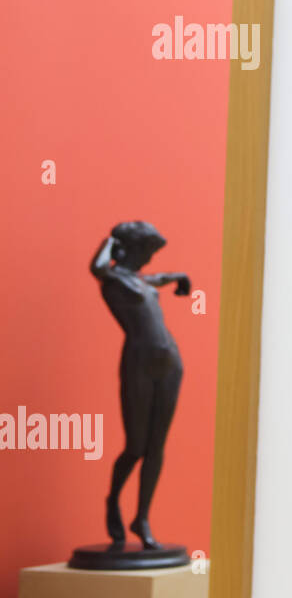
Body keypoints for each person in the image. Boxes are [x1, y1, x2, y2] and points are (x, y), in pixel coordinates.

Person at [90, 221, 191, 548]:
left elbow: (157, 279)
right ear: (130, 248)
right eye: (146, 250)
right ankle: (113, 501)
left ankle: (142, 517)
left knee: (156, 446)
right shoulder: (114, 280)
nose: (149, 258)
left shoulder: (139, 280)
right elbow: (97, 267)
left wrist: (178, 277)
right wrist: (109, 240)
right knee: (136, 446)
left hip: (169, 362)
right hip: (139, 364)